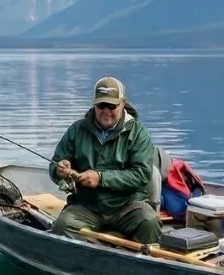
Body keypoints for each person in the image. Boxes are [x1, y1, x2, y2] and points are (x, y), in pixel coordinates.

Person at [49, 76, 162, 250]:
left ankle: (140, 267)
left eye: (112, 106)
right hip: (87, 206)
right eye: (101, 106)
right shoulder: (77, 130)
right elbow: (55, 164)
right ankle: (79, 266)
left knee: (149, 221)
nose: (106, 111)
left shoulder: (139, 134)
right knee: (63, 225)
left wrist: (101, 178)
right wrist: (60, 170)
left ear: (122, 103)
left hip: (127, 206)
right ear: (94, 105)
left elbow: (141, 174)